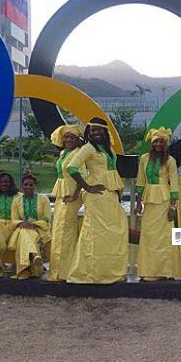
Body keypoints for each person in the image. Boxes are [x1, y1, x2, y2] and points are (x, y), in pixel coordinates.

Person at [65, 117, 128, 284]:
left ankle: (110, 272)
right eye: (93, 130)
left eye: (99, 129)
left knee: (114, 231)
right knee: (97, 233)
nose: (96, 133)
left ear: (105, 131)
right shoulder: (88, 148)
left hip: (110, 194)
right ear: (88, 132)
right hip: (97, 195)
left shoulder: (107, 149)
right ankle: (92, 273)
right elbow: (71, 167)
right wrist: (87, 187)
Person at [136, 127, 180, 281]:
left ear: (165, 143)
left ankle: (165, 271)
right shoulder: (144, 158)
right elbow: (140, 181)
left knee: (164, 236)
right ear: (152, 143)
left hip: (164, 201)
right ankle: (149, 270)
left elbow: (174, 184)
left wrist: (173, 207)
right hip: (149, 200)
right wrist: (138, 202)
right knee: (149, 236)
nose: (158, 144)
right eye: (156, 141)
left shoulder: (170, 160)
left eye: (161, 141)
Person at [48, 124, 84, 282]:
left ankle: (66, 272)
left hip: (71, 195)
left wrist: (75, 195)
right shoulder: (63, 153)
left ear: (78, 140)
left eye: (72, 137)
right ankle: (56, 271)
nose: (69, 140)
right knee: (58, 230)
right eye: (67, 137)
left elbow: (81, 176)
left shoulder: (79, 154)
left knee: (66, 232)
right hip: (60, 194)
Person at [7, 173, 51, 280]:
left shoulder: (43, 199)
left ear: (35, 186)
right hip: (21, 228)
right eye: (25, 185)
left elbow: (47, 218)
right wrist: (22, 223)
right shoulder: (17, 200)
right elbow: (14, 219)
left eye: (31, 185)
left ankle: (24, 270)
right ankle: (35, 256)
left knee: (26, 234)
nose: (28, 187)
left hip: (39, 229)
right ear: (22, 186)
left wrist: (34, 224)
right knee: (24, 232)